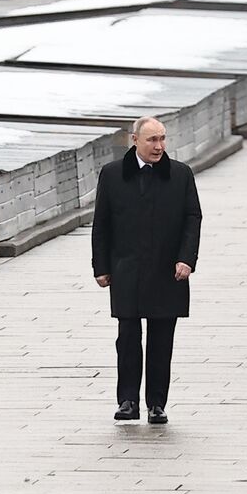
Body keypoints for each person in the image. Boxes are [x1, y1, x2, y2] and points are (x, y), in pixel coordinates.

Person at [91, 116, 203, 425]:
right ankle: (128, 401)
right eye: (152, 139)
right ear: (135, 140)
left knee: (161, 339)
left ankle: (157, 403)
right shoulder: (112, 174)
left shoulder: (180, 174)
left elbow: (192, 218)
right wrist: (101, 266)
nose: (159, 146)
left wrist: (186, 259)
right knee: (127, 337)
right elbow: (101, 224)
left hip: (168, 270)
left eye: (162, 139)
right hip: (127, 268)